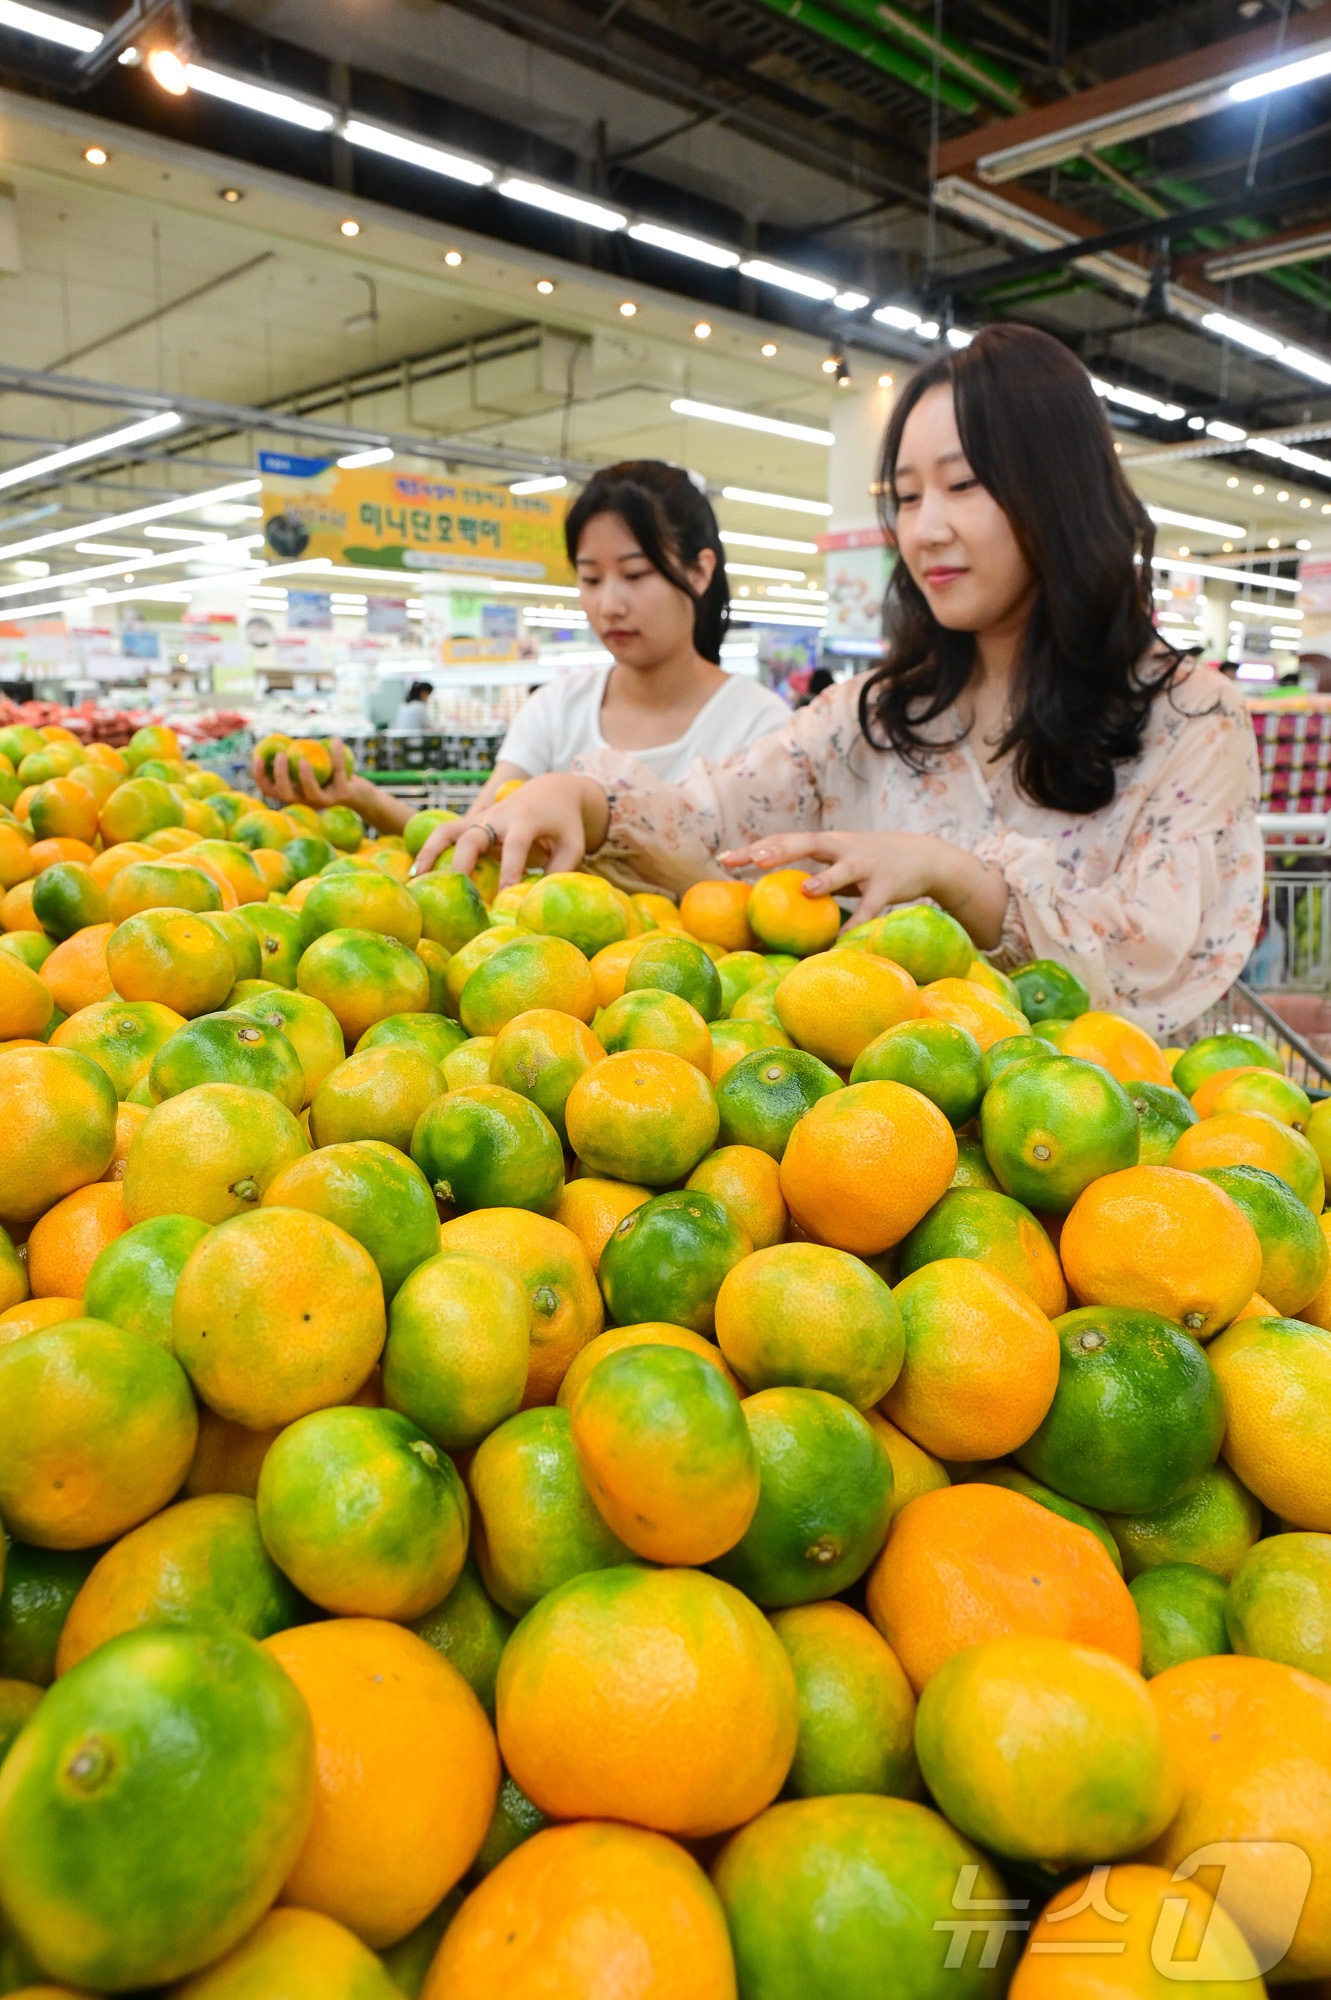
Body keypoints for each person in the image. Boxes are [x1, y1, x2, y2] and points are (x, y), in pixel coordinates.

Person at [418, 323, 1263, 1038]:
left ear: (1060, 488)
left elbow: (1159, 965)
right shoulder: (872, 717)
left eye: (963, 485)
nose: (924, 529)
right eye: (903, 495)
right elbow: (713, 823)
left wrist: (961, 881)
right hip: (863, 1158)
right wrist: (585, 798)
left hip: (1109, 1174)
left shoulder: (1191, 719)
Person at [255, 460, 788, 832]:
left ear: (700, 571)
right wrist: (361, 797)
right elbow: (477, 834)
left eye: (635, 574)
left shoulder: (759, 725)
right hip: (550, 988)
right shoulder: (557, 710)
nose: (610, 605)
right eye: (591, 579)